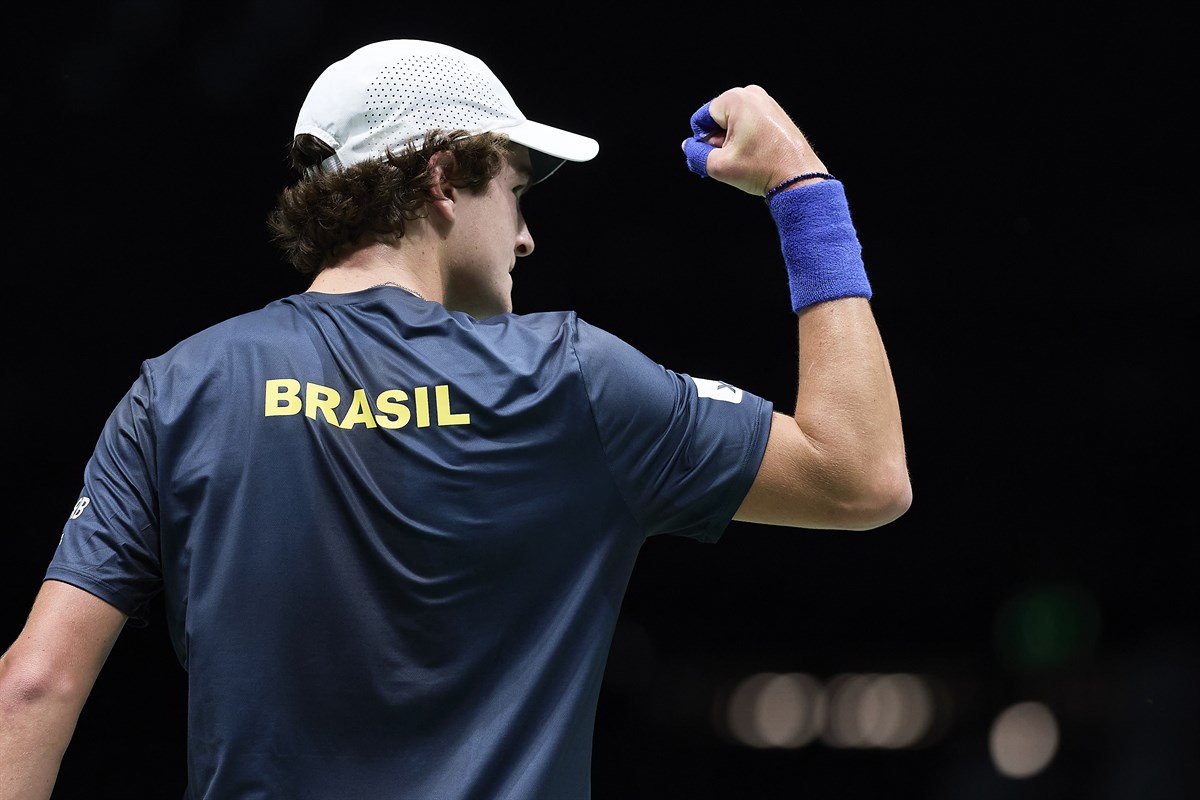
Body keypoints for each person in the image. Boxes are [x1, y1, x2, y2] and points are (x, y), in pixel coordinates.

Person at [0, 39, 910, 800]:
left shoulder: (180, 386)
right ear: (443, 177)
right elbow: (864, 475)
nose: (525, 236)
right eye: (513, 188)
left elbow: (34, 685)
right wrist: (803, 187)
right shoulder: (573, 379)